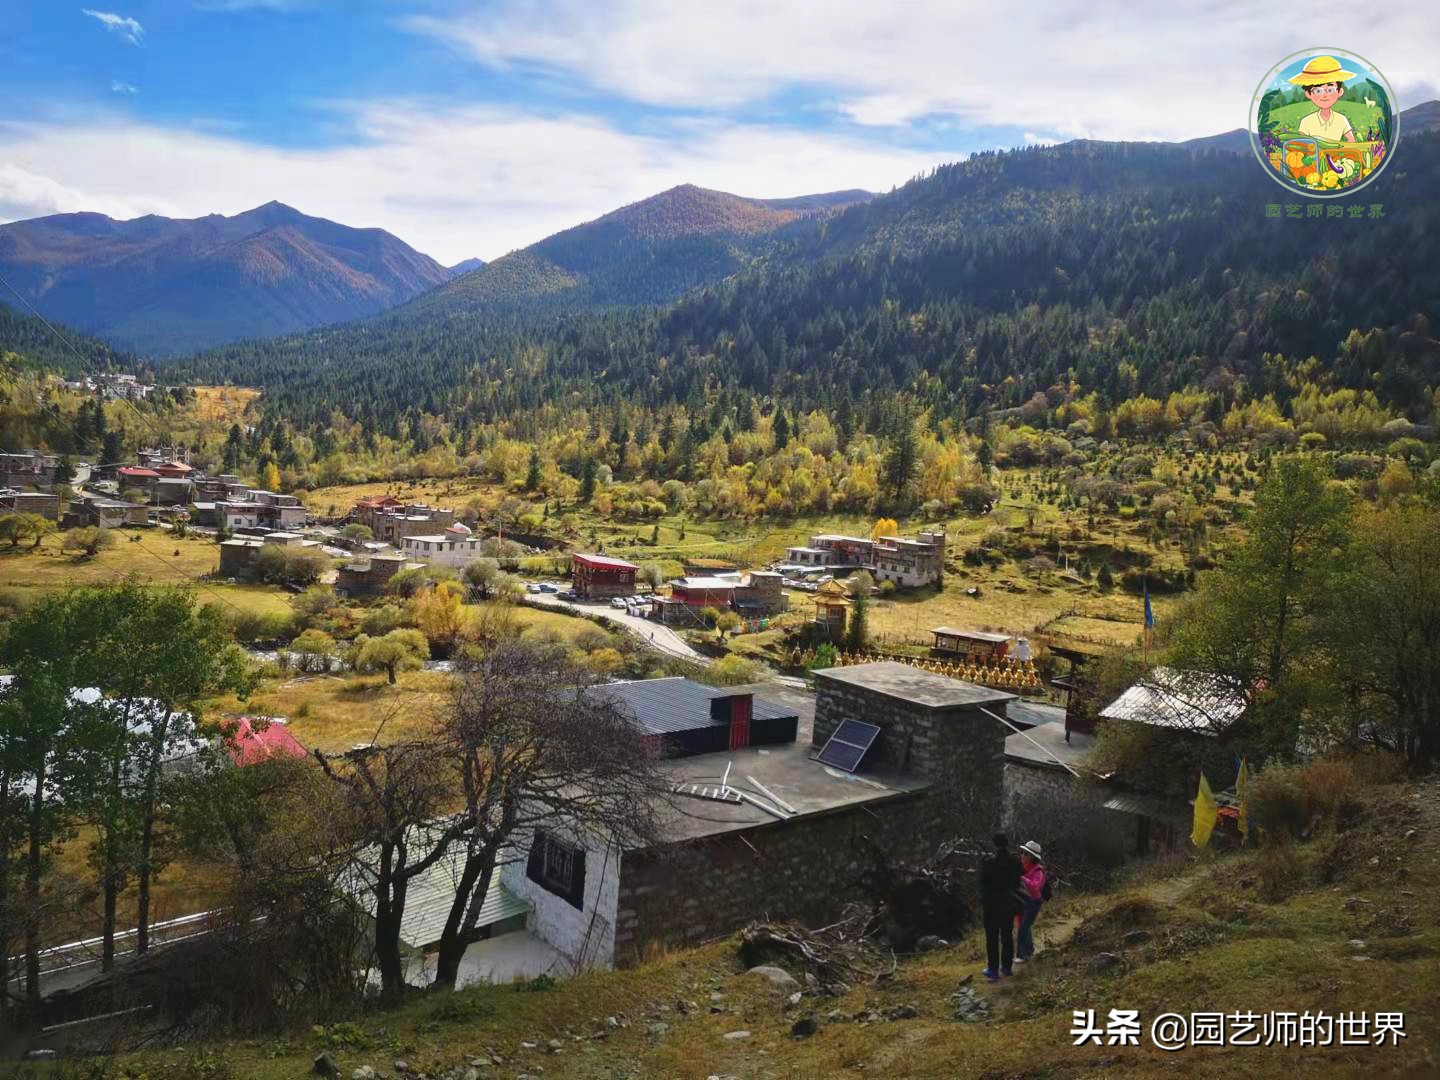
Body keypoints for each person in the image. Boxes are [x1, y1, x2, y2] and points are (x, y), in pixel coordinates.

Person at [978, 832, 1022, 980]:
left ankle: (993, 969)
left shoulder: (988, 862)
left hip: (992, 904)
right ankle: (1007, 968)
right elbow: (1018, 882)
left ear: (994, 844)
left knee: (992, 937)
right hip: (1009, 903)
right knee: (1007, 936)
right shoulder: (1015, 862)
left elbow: (983, 885)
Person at [1290, 56, 1357, 143]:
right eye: (1318, 91)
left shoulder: (1341, 119)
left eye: (1330, 90)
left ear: (1340, 92)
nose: (1325, 95)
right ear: (1308, 94)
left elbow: (1351, 140)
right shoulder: (1306, 121)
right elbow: (1302, 144)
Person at [1015, 840, 1047, 962]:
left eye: (1026, 854)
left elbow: (1035, 887)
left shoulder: (1038, 871)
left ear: (1033, 857)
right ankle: (1029, 951)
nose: (1022, 855)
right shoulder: (1022, 867)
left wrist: (1022, 879)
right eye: (1022, 853)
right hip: (1023, 900)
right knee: (1024, 925)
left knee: (1023, 926)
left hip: (1033, 902)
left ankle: (1022, 955)